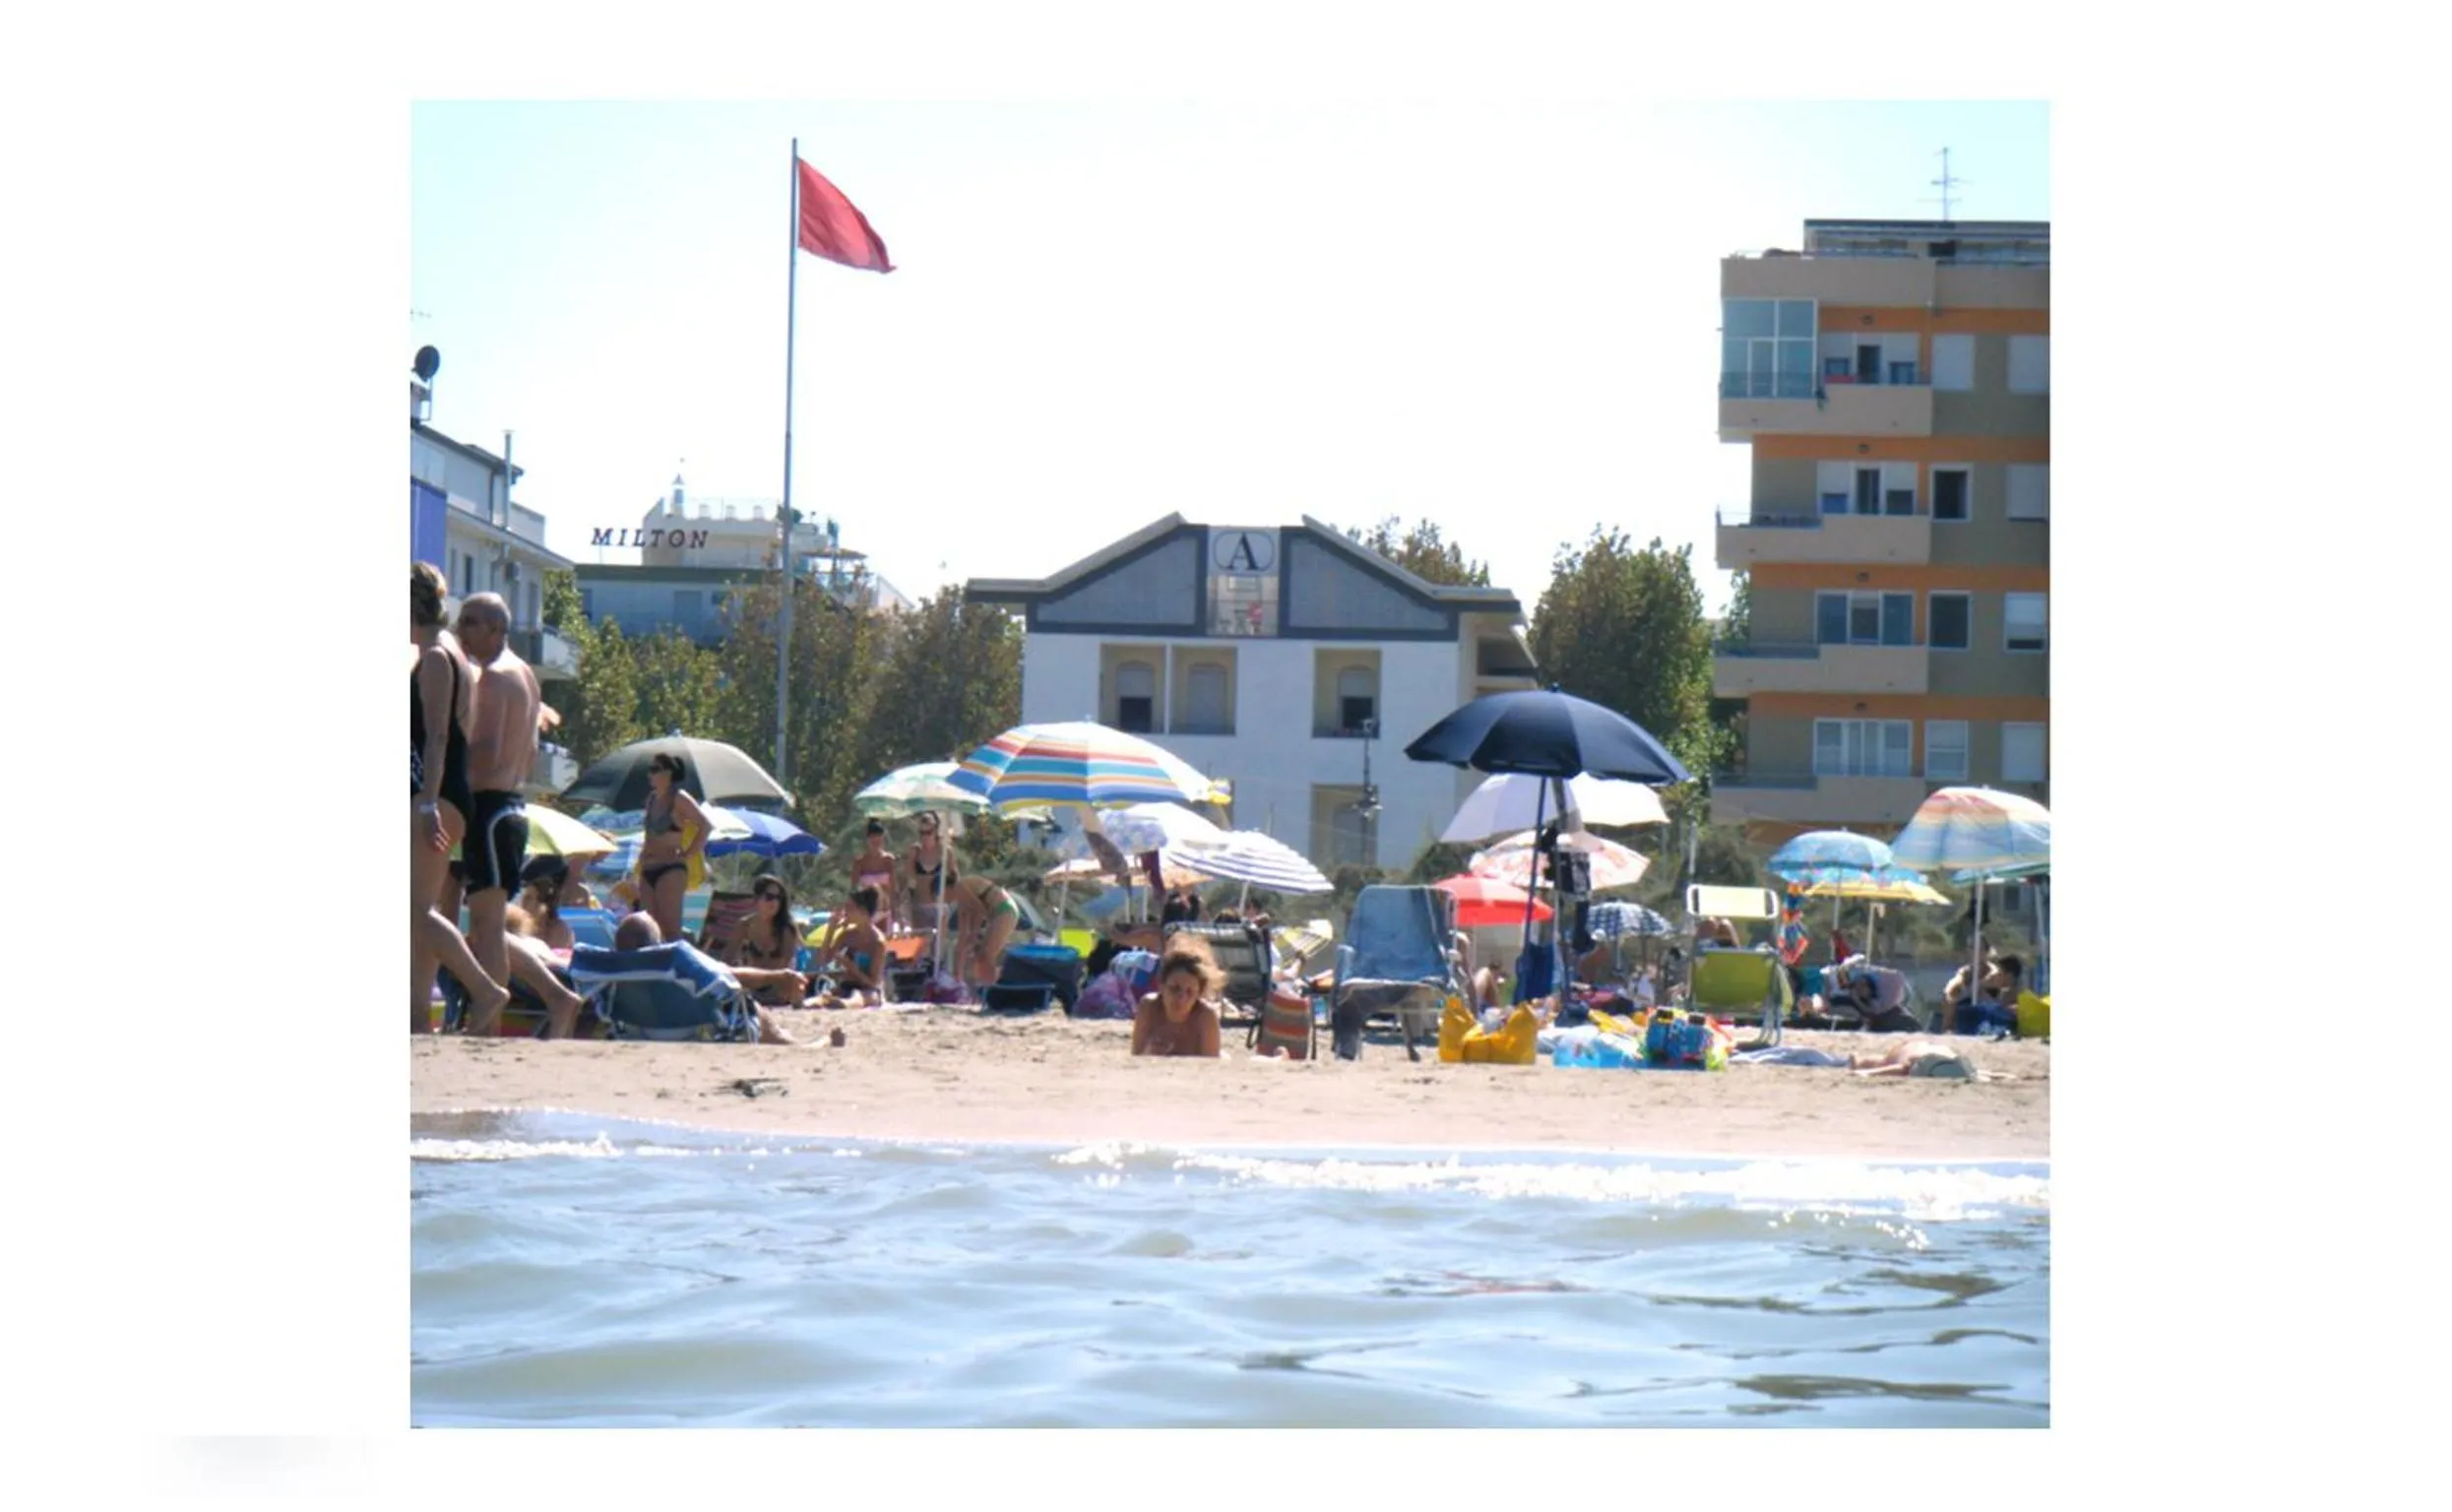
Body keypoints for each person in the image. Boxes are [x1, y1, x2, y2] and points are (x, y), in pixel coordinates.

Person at [410, 562, 509, 1035]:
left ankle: (485, 990)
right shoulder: (451, 652)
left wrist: (427, 803)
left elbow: (437, 737)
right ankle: (416, 1016)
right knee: (419, 914)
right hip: (447, 794)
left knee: (415, 911)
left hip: (438, 796)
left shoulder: (434, 656)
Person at [453, 592, 543, 1037]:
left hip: (489, 805)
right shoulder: (526, 674)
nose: (460, 630)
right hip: (511, 805)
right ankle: (487, 1021)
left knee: (487, 927)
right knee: (490, 925)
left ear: (496, 630)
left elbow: (484, 753)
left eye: (470, 622)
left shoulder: (492, 677)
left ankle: (487, 1021)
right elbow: (531, 750)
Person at [610, 912, 799, 1045]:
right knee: (749, 1006)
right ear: (658, 943)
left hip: (640, 1032)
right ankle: (793, 1043)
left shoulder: (611, 970)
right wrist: (779, 976)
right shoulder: (676, 959)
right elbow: (726, 975)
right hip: (689, 1031)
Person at [635, 753, 711, 945]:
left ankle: (674, 961)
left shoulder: (679, 798)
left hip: (670, 868)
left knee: (670, 928)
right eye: (649, 770)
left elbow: (705, 825)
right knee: (647, 928)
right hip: (648, 867)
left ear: (668, 773)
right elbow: (649, 835)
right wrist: (641, 859)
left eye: (655, 770)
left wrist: (688, 854)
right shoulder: (651, 799)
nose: (650, 775)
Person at [717, 874, 813, 1009]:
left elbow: (789, 964)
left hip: (779, 990)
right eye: (769, 897)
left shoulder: (786, 928)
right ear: (756, 899)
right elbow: (726, 959)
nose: (775, 902)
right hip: (752, 988)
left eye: (779, 898)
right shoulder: (744, 925)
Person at [1131, 934, 1226, 1057]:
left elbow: (1212, 1062)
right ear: (1161, 986)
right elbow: (1136, 1055)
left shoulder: (1206, 1017)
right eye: (1175, 989)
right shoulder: (1148, 1007)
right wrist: (1149, 1051)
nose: (1181, 998)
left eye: (1190, 992)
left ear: (1199, 994)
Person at [945, 860, 1023, 989]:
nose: (944, 900)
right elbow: (964, 933)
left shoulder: (961, 886)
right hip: (998, 912)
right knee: (981, 956)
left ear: (947, 888)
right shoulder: (961, 900)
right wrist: (957, 971)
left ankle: (994, 988)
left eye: (942, 895)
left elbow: (980, 910)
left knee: (986, 955)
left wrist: (974, 933)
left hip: (1004, 909)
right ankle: (983, 986)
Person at [815, 886, 887, 1007]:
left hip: (868, 990)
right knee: (822, 998)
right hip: (845, 986)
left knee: (858, 997)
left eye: (849, 908)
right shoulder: (847, 935)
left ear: (863, 911)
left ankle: (843, 1003)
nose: (845, 912)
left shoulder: (877, 942)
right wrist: (831, 930)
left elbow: (873, 983)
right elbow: (822, 960)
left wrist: (851, 967)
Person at [899, 811, 949, 937]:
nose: (925, 836)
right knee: (921, 942)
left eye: (928, 832)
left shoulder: (944, 851)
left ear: (935, 831)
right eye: (922, 833)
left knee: (939, 944)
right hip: (919, 905)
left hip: (940, 905)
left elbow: (955, 877)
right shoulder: (915, 851)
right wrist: (901, 898)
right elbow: (905, 877)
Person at [848, 819, 899, 933]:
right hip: (867, 913)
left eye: (879, 836)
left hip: (885, 911)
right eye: (873, 837)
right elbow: (854, 889)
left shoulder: (888, 860)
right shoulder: (860, 862)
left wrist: (895, 910)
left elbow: (893, 888)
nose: (876, 840)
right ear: (867, 839)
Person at [515, 857, 576, 952]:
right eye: (523, 897)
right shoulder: (513, 926)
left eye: (528, 898)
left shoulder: (559, 930)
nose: (522, 903)